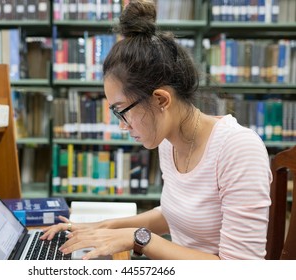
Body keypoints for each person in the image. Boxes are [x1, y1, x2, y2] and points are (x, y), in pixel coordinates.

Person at [41, 0, 272, 260]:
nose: (121, 124)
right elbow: (174, 214)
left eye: (122, 110)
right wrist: (102, 227)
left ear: (161, 100)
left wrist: (139, 238)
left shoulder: (239, 149)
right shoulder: (167, 141)